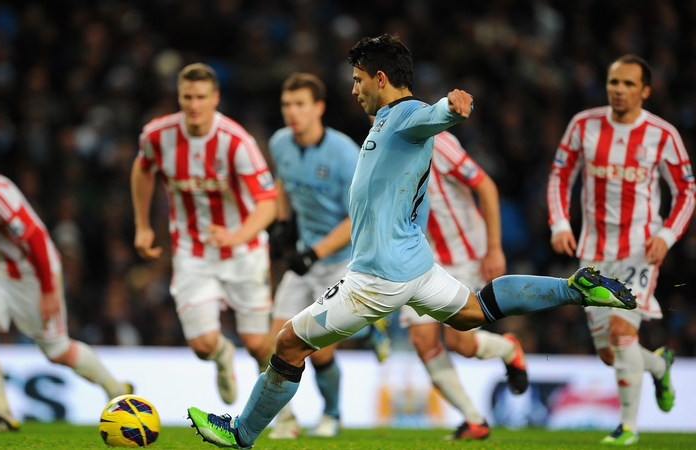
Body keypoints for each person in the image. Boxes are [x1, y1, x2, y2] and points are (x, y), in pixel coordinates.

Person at [186, 34, 636, 450]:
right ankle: (573, 288)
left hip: (377, 276)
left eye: (359, 79)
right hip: (416, 266)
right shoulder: (386, 120)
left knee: (287, 342)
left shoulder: (404, 116)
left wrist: (452, 108)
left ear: (380, 78)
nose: (354, 89)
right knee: (472, 312)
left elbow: (432, 116)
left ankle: (241, 433)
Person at [0, 137, 132, 432]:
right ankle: (2, 414)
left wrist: (48, 290)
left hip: (33, 269)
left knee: (57, 351)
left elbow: (34, 237)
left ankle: (116, 388)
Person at [547, 54, 694, 445]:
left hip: (639, 251)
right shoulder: (583, 125)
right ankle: (658, 367)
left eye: (629, 84)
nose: (619, 90)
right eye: (614, 81)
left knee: (621, 332)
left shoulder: (662, 134)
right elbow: (560, 174)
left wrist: (667, 235)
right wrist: (560, 222)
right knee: (610, 353)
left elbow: (686, 190)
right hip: (593, 252)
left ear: (645, 91)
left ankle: (628, 427)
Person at [131, 63, 278, 405]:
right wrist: (142, 225)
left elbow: (268, 203)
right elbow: (142, 168)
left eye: (201, 97)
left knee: (257, 343)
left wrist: (236, 236)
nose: (194, 105)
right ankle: (222, 355)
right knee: (202, 345)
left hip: (244, 251)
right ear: (179, 97)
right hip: (192, 251)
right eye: (187, 97)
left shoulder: (237, 142)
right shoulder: (157, 135)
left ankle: (277, 409)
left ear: (215, 98)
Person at [266, 72, 389, 439]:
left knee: (317, 351)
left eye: (300, 104)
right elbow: (282, 181)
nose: (292, 112)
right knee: (277, 341)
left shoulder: (346, 154)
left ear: (318, 107)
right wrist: (282, 222)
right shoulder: (280, 143)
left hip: (342, 260)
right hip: (306, 256)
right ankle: (286, 422)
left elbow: (359, 216)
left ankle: (332, 415)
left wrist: (314, 252)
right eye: (286, 105)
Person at [398, 130, 525, 440]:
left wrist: (494, 248)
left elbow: (486, 186)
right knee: (422, 340)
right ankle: (474, 420)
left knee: (461, 343)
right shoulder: (381, 148)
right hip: (422, 259)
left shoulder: (435, 141)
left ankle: (508, 348)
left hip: (463, 255)